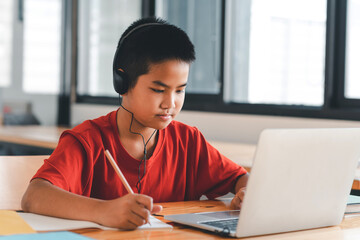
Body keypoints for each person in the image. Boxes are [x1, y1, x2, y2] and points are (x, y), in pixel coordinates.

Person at [21, 17, 249, 230]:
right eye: (158, 90)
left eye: (180, 90)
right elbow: (35, 196)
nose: (170, 103)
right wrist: (103, 211)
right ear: (122, 82)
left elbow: (240, 178)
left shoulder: (188, 141)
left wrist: (246, 192)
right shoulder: (87, 141)